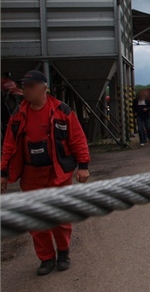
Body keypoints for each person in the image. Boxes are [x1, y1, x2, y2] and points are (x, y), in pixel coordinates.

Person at [1, 70, 90, 276]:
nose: (26, 90)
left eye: (30, 86)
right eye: (24, 86)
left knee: (60, 216)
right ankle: (46, 258)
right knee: (36, 218)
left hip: (57, 173)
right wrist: (3, 172)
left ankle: (63, 253)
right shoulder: (18, 116)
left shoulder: (62, 111)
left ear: (43, 87)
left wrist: (83, 166)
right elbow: (8, 146)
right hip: (31, 175)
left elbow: (77, 139)